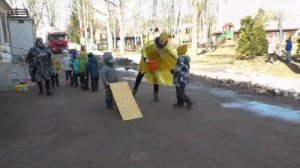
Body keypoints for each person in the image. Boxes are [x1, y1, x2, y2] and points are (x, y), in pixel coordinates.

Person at [132, 32, 177, 102]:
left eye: (164, 41)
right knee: (140, 75)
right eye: (161, 41)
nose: (162, 43)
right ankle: (134, 91)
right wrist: (145, 58)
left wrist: (180, 60)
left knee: (156, 77)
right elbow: (143, 50)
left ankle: (156, 93)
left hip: (155, 64)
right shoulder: (151, 44)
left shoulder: (166, 47)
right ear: (159, 39)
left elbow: (173, 54)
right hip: (145, 62)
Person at [170, 45, 194, 109]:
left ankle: (189, 102)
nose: (177, 52)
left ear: (180, 52)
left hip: (180, 78)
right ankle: (180, 103)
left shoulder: (180, 58)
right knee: (180, 90)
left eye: (178, 51)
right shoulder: (186, 58)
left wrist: (172, 71)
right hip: (185, 77)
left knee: (180, 92)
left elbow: (178, 69)